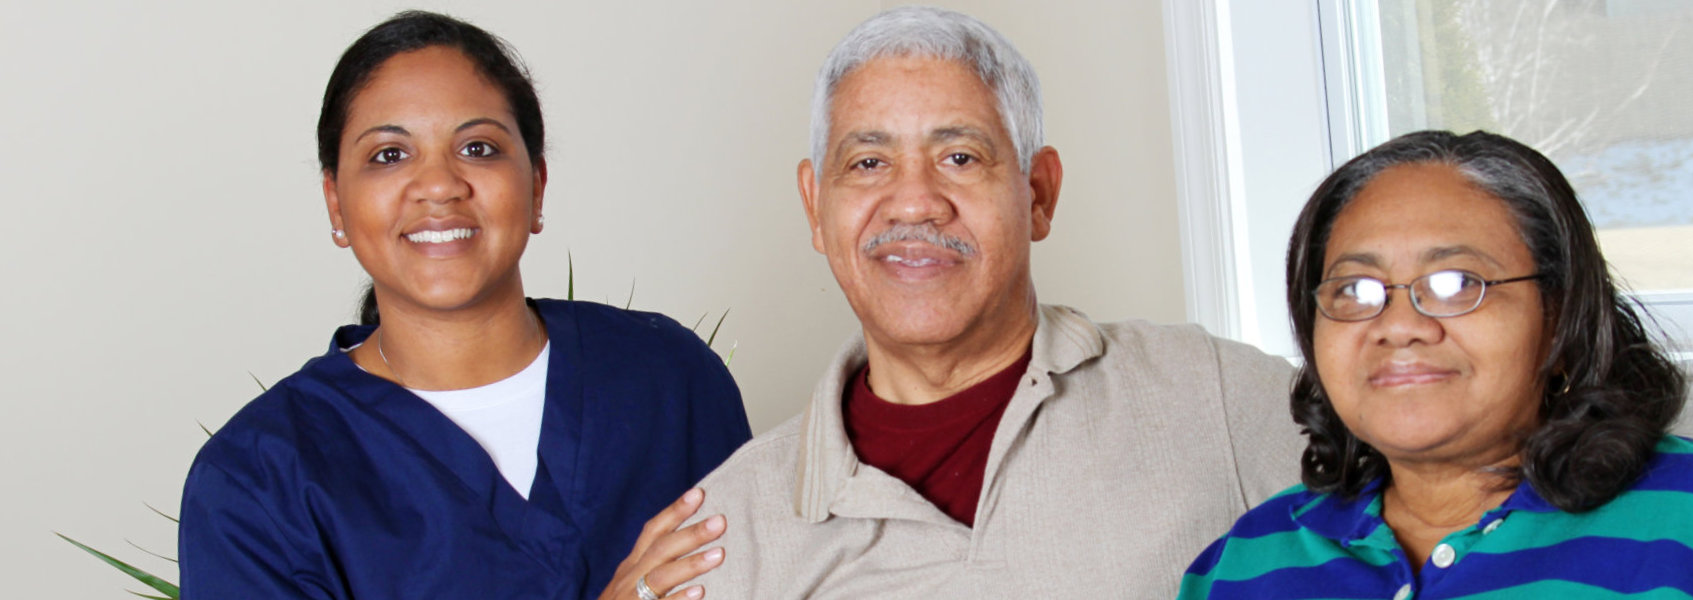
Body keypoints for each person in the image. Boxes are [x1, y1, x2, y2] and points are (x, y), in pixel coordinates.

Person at [598, 7, 1302, 599]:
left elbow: (1411, 508)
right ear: (816, 205)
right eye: (869, 162)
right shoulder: (726, 530)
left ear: (1038, 194)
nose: (914, 201)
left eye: (960, 157)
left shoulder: (1210, 395)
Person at [178, 11, 751, 598]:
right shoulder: (257, 479)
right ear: (335, 204)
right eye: (389, 155)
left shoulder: (668, 378)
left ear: (536, 186)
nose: (440, 184)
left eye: (478, 147)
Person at [1178, 130, 1693, 599]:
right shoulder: (1245, 562)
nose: (1399, 326)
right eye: (1354, 291)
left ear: (1561, 319)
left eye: (1455, 283)